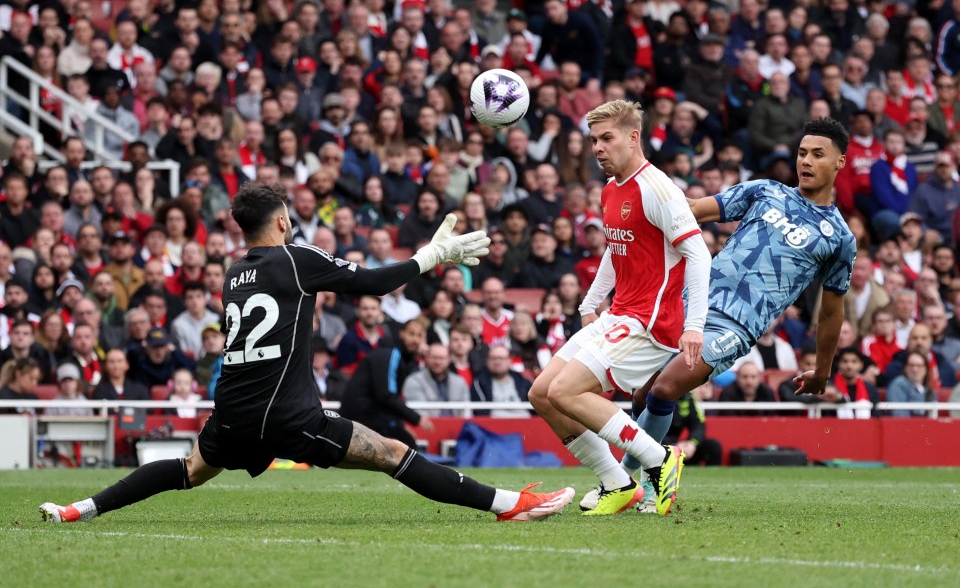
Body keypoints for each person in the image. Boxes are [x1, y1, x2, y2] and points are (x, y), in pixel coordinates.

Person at [41, 182, 573, 524]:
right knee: (390, 454)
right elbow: (371, 283)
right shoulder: (293, 259)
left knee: (190, 468)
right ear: (280, 221)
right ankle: (510, 505)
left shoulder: (233, 273)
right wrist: (432, 256)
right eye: (289, 216)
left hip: (232, 411)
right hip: (286, 416)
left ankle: (79, 509)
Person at [596, 118, 856, 512]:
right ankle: (635, 481)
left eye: (818, 154)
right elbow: (691, 212)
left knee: (667, 388)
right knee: (643, 392)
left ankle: (631, 482)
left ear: (839, 162)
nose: (806, 161)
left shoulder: (838, 238)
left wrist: (822, 369)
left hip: (736, 325)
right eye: (802, 152)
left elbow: (832, 312)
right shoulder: (764, 190)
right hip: (689, 303)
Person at [527, 99, 710, 517]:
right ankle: (617, 483)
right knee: (542, 394)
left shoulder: (659, 189)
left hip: (651, 323)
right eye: (593, 140)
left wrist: (694, 326)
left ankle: (659, 459)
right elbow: (617, 246)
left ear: (634, 137)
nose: (597, 148)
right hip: (620, 314)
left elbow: (699, 255)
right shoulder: (612, 189)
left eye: (607, 138)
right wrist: (591, 302)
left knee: (565, 391)